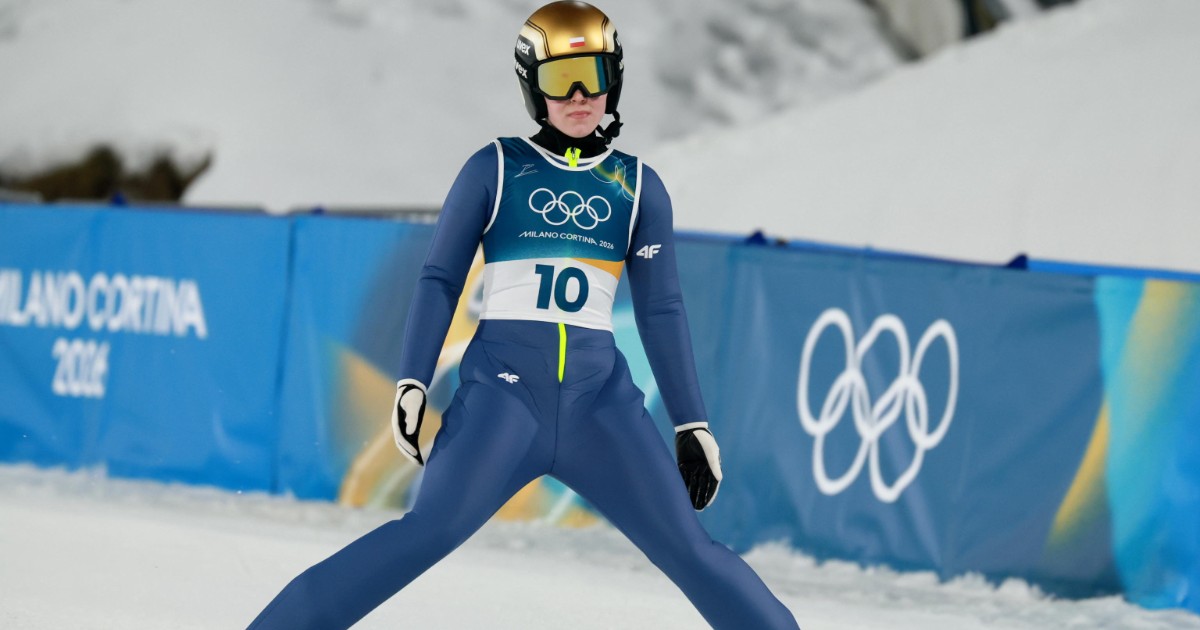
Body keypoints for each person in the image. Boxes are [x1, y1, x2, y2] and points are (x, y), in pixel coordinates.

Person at [248, 2, 800, 628]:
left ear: (615, 78)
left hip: (601, 408)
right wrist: (412, 380)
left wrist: (691, 424)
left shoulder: (638, 185)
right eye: (560, 80)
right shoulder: (496, 167)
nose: (580, 96)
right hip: (504, 401)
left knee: (691, 551)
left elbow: (662, 309)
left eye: (593, 75)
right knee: (425, 533)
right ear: (532, 87)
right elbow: (440, 278)